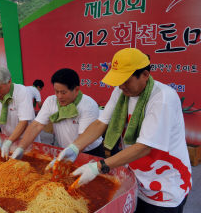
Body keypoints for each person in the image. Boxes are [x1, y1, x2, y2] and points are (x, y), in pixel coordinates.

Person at [52, 48, 191, 212]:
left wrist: (99, 167)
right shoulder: (121, 91)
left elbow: (144, 147)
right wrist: (74, 147)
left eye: (126, 80)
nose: (121, 86)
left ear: (145, 75)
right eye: (118, 81)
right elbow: (100, 123)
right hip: (136, 178)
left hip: (165, 186)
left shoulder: (163, 98)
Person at [11, 68, 104, 159]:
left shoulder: (88, 105)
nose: (59, 96)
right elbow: (36, 125)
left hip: (89, 153)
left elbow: (83, 138)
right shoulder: (51, 101)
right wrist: (21, 147)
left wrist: (67, 154)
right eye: (56, 91)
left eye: (63, 92)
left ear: (76, 89)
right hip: (64, 150)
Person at [0, 66, 37, 159]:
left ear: (9, 81)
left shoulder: (22, 92)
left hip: (26, 142)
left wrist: (9, 142)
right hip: (8, 140)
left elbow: (23, 122)